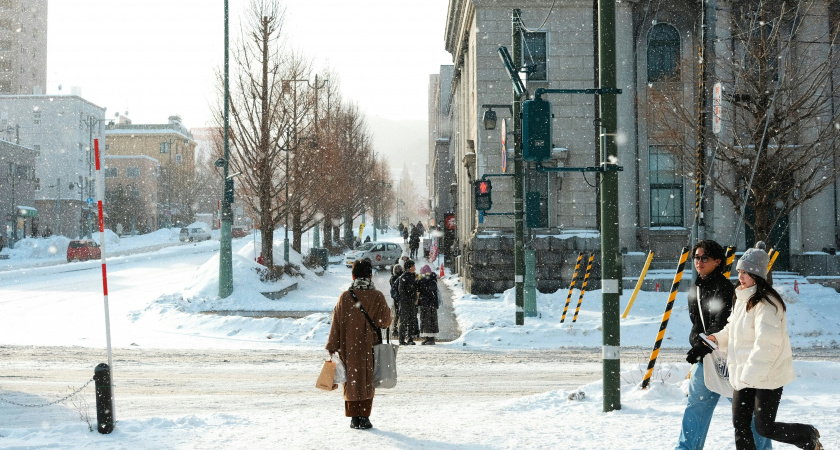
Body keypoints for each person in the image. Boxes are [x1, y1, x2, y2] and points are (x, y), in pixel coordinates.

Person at [708, 245, 823, 450]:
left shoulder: (767, 305)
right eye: (740, 271)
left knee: (764, 427)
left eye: (747, 272)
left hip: (768, 375)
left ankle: (807, 435)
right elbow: (732, 329)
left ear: (758, 275)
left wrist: (749, 374)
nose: (741, 276)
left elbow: (766, 346)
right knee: (740, 424)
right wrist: (717, 339)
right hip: (744, 373)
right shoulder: (742, 299)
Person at [677, 240, 769, 450]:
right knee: (695, 409)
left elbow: (722, 322)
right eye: (696, 258)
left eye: (704, 258)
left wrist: (704, 344)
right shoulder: (695, 288)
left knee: (747, 414)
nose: (699, 262)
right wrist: (697, 343)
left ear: (718, 261)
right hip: (705, 360)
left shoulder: (725, 289)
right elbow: (697, 323)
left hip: (729, 361)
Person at [326, 259, 391, 430]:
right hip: (370, 347)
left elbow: (336, 324)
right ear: (370, 275)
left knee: (351, 380)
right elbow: (385, 321)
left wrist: (332, 346)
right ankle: (365, 417)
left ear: (353, 275)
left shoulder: (345, 297)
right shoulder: (377, 296)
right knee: (368, 380)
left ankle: (354, 417)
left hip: (349, 347)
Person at [396, 259, 420, 345]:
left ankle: (410, 338)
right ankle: (401, 340)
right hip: (405, 303)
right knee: (403, 321)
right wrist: (409, 299)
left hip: (412, 302)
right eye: (413, 266)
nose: (415, 267)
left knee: (412, 321)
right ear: (410, 267)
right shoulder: (404, 277)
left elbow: (414, 287)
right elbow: (402, 291)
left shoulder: (413, 275)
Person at [417, 264, 440, 345]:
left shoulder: (431, 281)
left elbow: (427, 289)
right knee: (425, 321)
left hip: (429, 305)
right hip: (427, 304)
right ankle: (427, 338)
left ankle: (431, 339)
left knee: (429, 322)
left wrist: (421, 281)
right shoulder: (430, 280)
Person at [389, 264, 404, 335]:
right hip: (398, 298)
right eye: (396, 269)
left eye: (399, 269)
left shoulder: (394, 278)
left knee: (398, 313)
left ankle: (396, 328)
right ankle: (395, 328)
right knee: (398, 313)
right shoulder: (395, 278)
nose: (398, 270)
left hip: (397, 298)